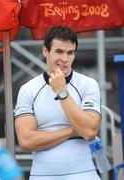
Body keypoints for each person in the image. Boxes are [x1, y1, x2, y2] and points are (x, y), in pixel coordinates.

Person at [14, 26, 101, 180]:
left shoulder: (88, 84)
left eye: (70, 53)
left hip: (84, 174)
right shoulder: (28, 89)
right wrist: (73, 131)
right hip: (42, 175)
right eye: (59, 52)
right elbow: (26, 141)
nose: (65, 59)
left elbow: (88, 131)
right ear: (45, 51)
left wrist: (62, 92)